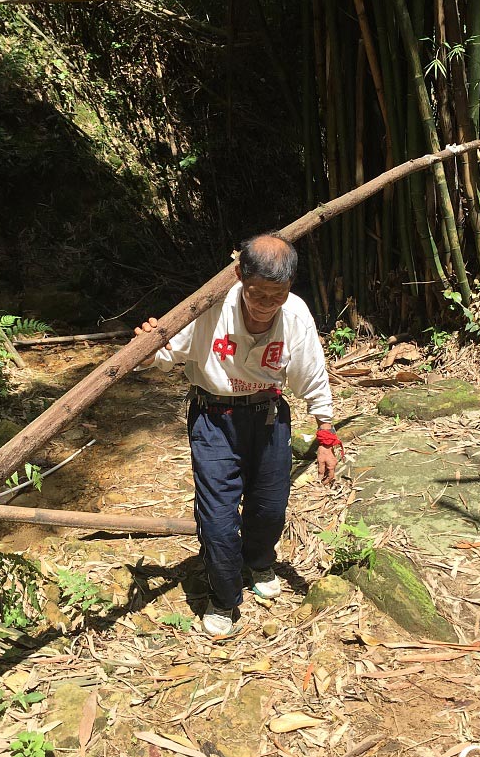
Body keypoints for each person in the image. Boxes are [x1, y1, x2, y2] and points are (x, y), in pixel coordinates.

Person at [134, 232, 341, 637]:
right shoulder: (208, 309)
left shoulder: (295, 316)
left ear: (289, 287)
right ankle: (224, 596)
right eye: (256, 293)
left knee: (269, 506)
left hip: (267, 417)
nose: (265, 305)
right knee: (216, 519)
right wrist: (146, 342)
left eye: (276, 295)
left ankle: (259, 560)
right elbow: (157, 356)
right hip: (213, 418)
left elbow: (312, 376)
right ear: (238, 276)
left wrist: (326, 433)